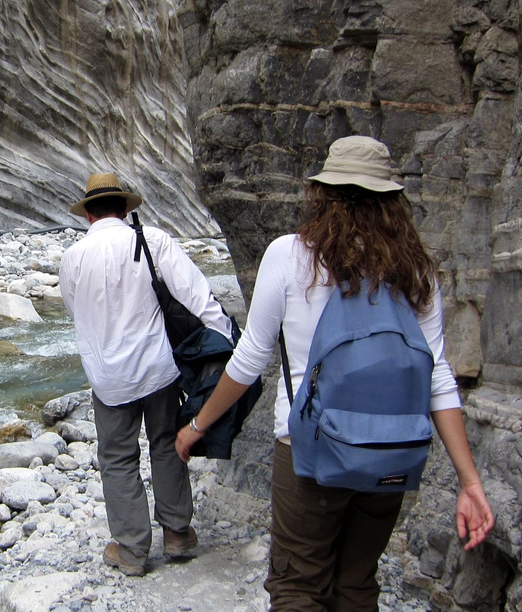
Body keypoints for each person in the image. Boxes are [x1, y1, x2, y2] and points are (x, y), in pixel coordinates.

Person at [174, 136, 495, 610]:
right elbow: (437, 378)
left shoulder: (289, 256)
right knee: (357, 584)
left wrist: (197, 426)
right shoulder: (414, 271)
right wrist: (470, 483)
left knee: (299, 587)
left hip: (309, 452)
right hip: (390, 454)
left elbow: (249, 361)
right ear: (390, 200)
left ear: (322, 194)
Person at [59, 172, 233, 576]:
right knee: (167, 443)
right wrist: (227, 337)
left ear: (88, 214)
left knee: (118, 458)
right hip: (159, 368)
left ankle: (133, 549)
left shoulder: (72, 258)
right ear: (125, 208)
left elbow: (76, 311)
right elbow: (196, 293)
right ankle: (177, 533)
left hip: (108, 378)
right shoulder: (152, 241)